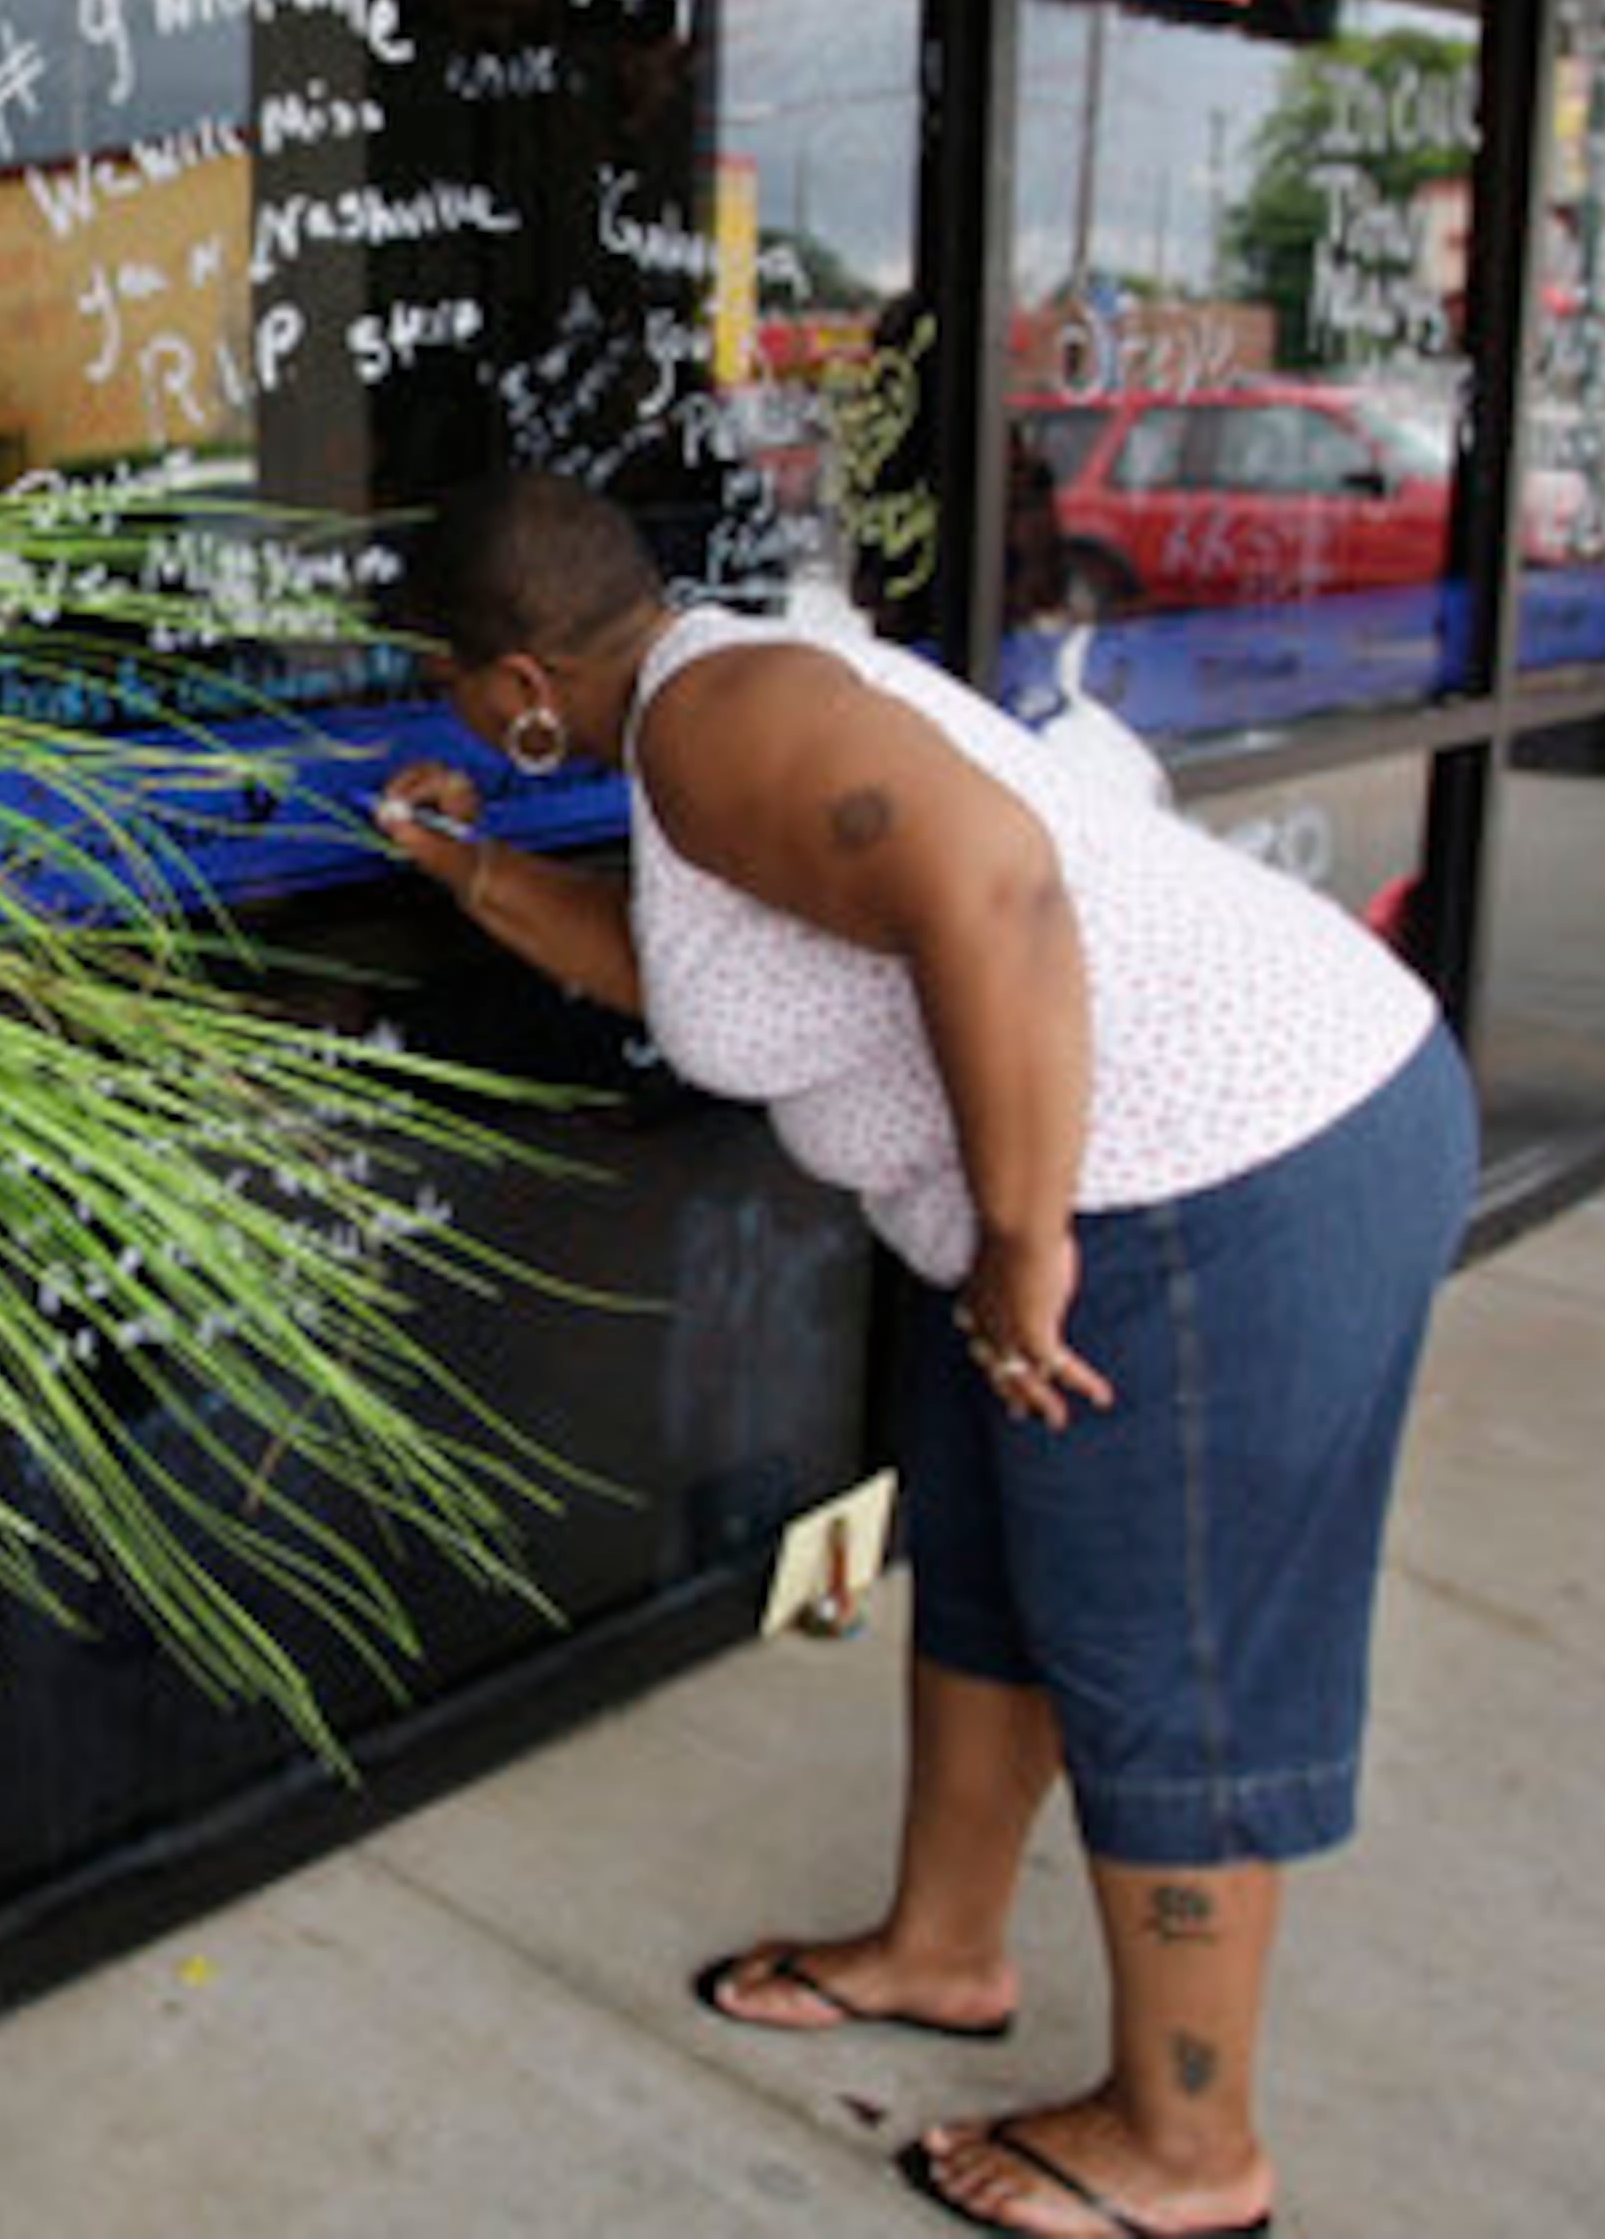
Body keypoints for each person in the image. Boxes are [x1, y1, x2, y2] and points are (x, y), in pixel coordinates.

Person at [374, 469, 1473, 2239]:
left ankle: (1191, 2152)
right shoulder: (694, 716)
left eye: (443, 684)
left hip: (1225, 1167)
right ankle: (942, 1948)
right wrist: (464, 867)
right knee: (986, 1572)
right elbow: (718, 989)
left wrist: (1031, 1240)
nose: (453, 716)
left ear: (512, 681)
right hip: (1122, 1183)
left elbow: (1003, 896)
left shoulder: (726, 724)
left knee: (1160, 1634)